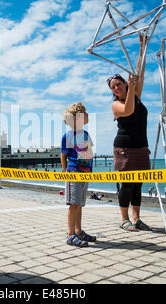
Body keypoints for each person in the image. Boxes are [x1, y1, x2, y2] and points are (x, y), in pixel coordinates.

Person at [108, 34, 151, 232]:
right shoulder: (116, 105)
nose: (117, 88)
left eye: (119, 83)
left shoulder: (135, 94)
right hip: (124, 148)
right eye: (113, 87)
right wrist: (133, 87)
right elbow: (128, 111)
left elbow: (140, 73)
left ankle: (137, 218)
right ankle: (124, 219)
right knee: (127, 184)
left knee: (138, 185)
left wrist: (142, 48)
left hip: (141, 147)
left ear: (125, 83)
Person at [61, 101, 96, 247]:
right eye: (85, 113)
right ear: (77, 118)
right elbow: (63, 155)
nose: (88, 115)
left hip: (85, 173)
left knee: (80, 204)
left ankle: (78, 230)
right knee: (73, 204)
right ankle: (70, 234)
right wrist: (64, 171)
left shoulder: (86, 134)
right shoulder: (68, 136)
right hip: (74, 172)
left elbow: (89, 154)